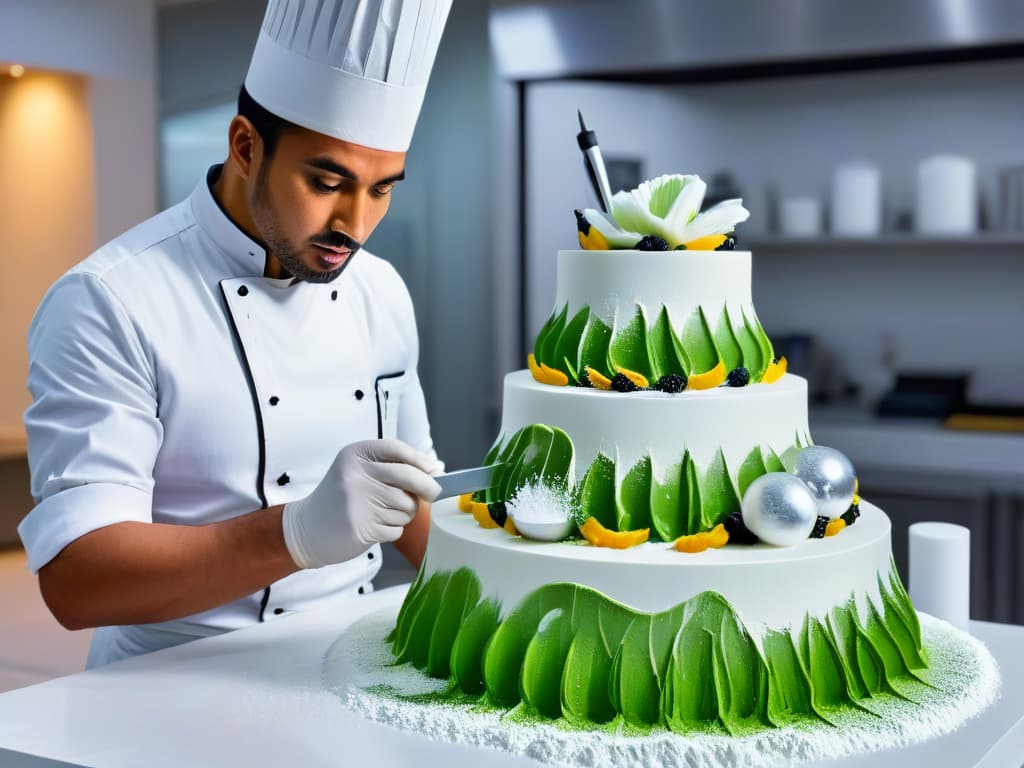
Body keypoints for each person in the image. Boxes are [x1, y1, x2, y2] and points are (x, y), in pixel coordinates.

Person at [17, 0, 453, 668]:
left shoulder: (381, 290)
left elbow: (416, 508)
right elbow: (78, 579)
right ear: (245, 146)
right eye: (326, 182)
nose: (356, 224)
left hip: (355, 662)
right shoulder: (112, 300)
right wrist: (298, 532)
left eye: (381, 190)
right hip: (165, 683)